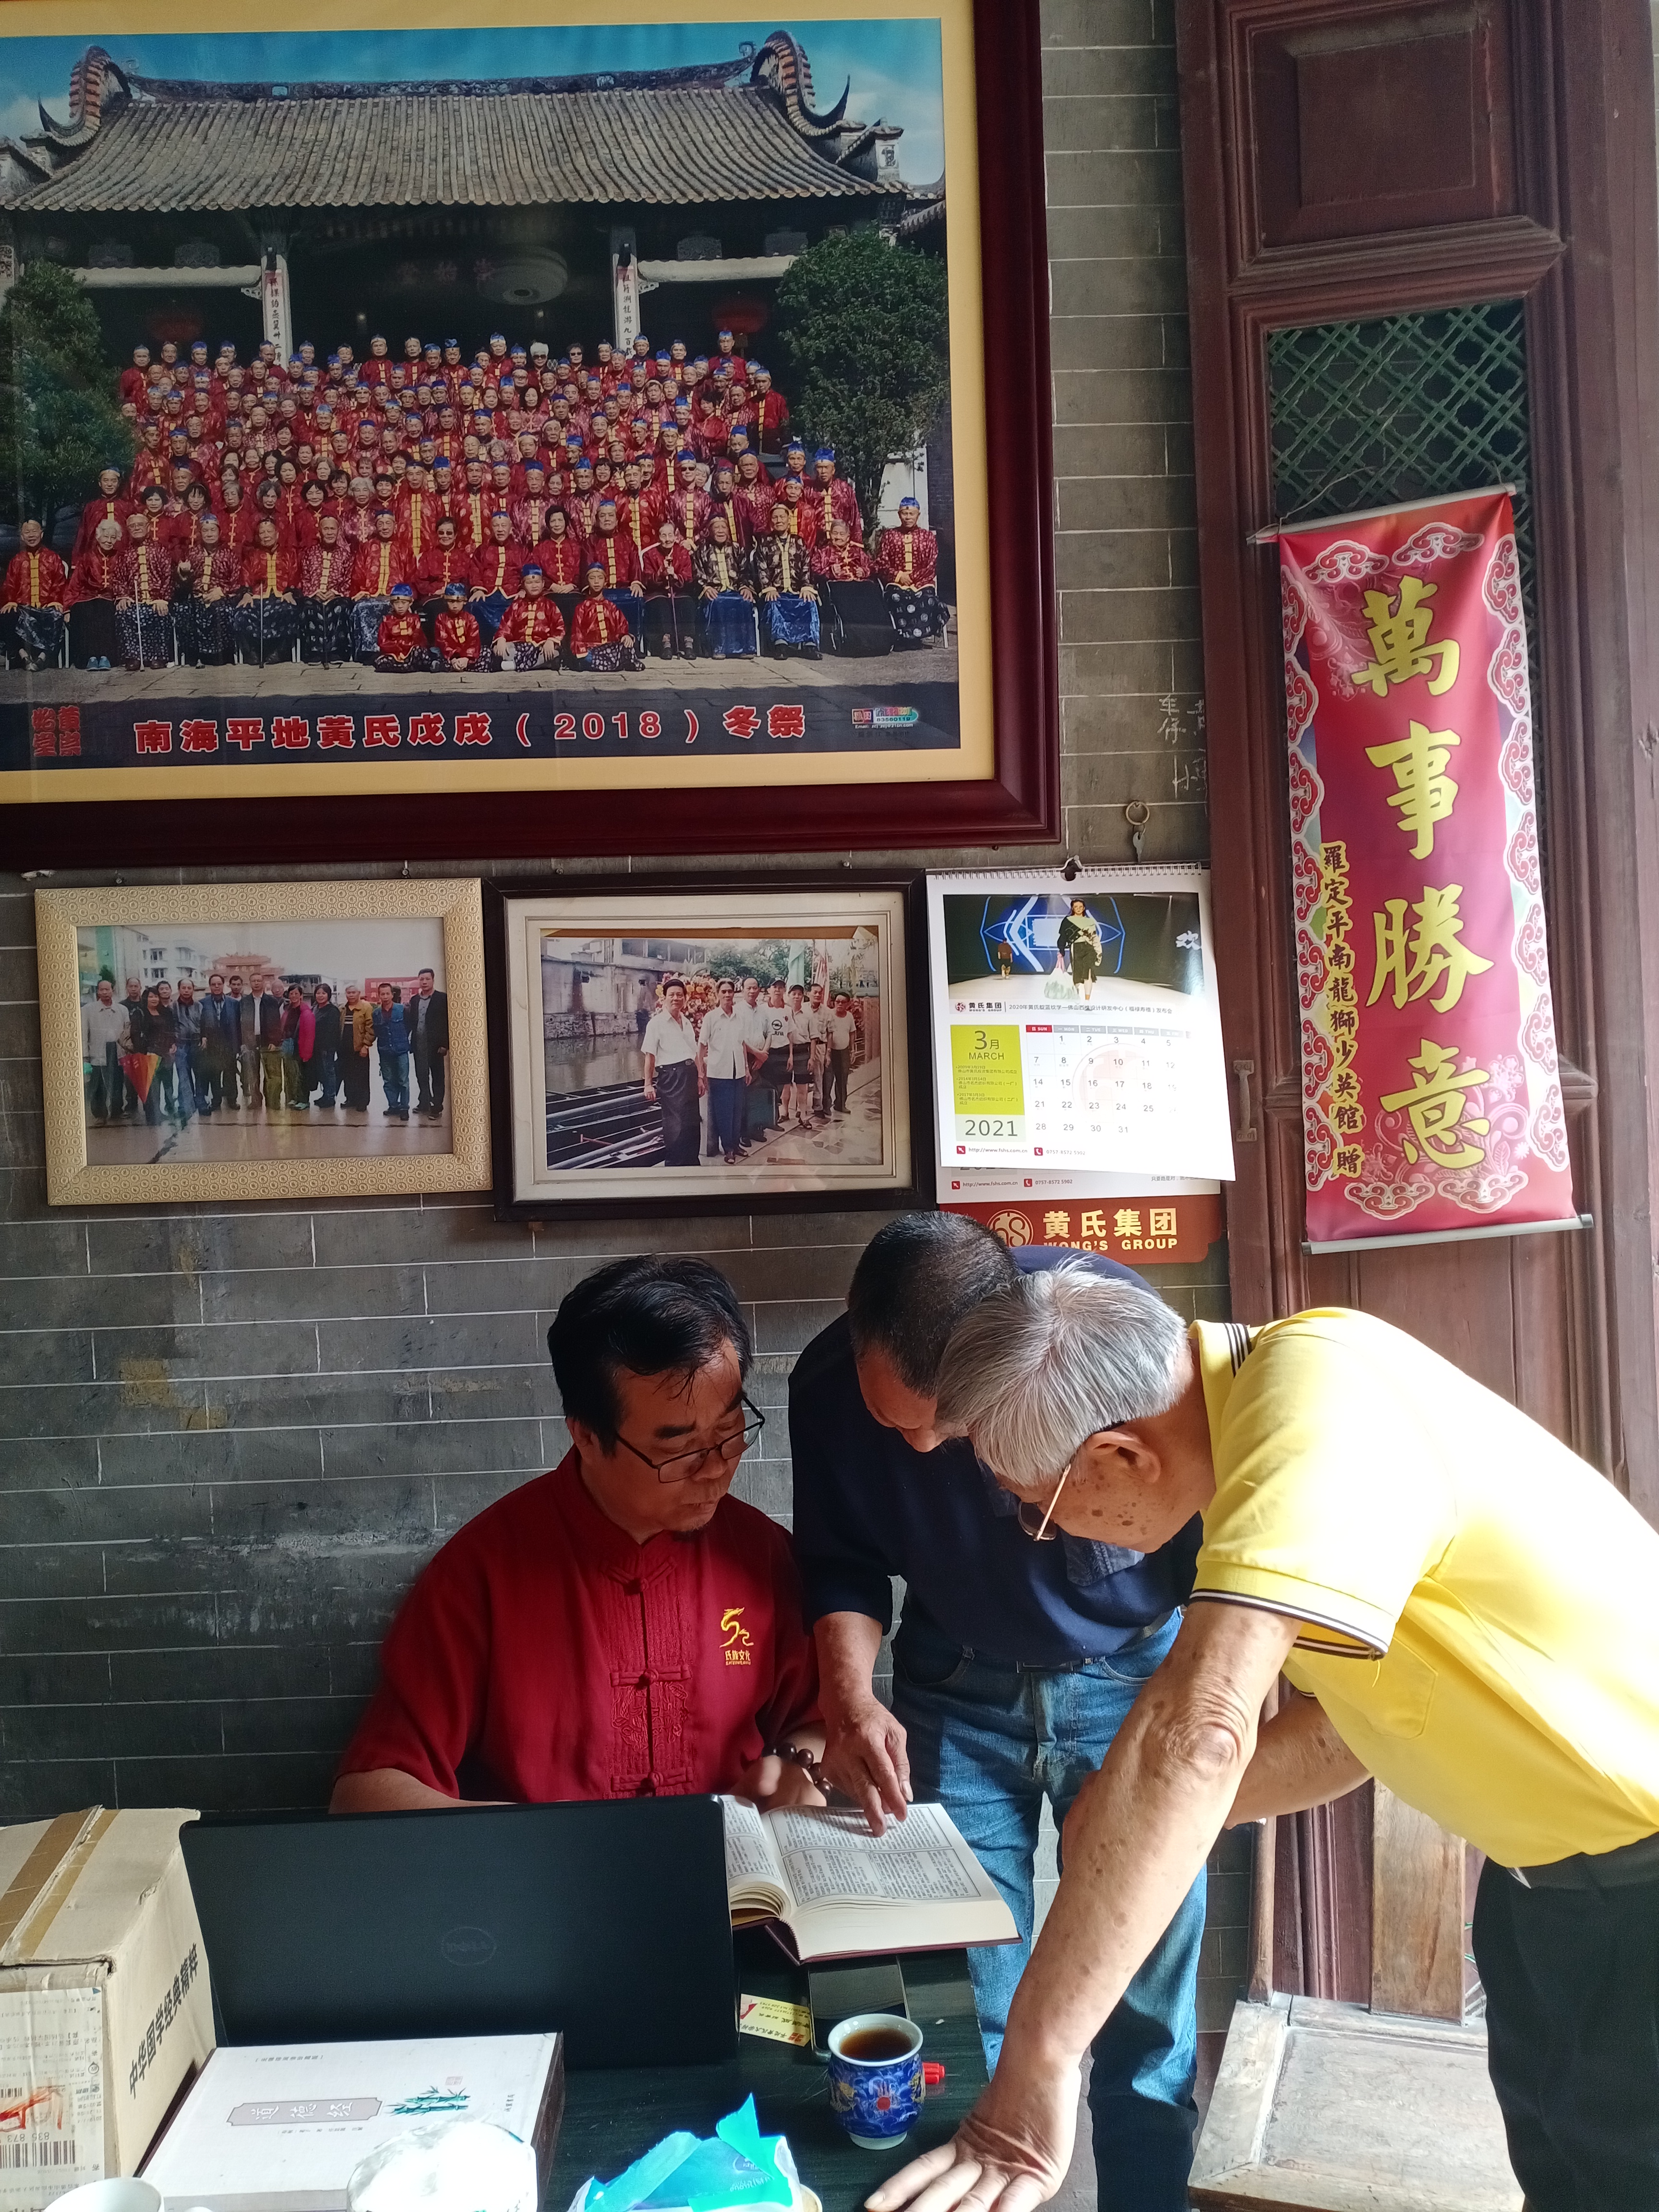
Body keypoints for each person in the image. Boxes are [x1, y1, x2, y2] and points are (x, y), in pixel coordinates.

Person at [872, 1276, 1659, 2212]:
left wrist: (1040, 2061)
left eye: (1033, 1510)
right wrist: (1130, 1830)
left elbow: (1198, 1733)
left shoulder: (1315, 1404)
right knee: (1571, 2181)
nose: (1041, 1540)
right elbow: (1346, 1729)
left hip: (1638, 1890)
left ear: (1121, 1457)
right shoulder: (1259, 1428)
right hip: (1546, 1892)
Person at [791, 1218, 1204, 2212]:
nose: (926, 1444)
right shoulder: (827, 1388)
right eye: (898, 1428)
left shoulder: (1104, 1335)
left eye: (945, 1420)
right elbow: (840, 1561)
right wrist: (849, 1699)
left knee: (1143, 1993)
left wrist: (1201, 1722)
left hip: (1134, 1676)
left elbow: (1206, 1535)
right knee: (970, 1995)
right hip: (957, 1688)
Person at [331, 1256, 823, 1810]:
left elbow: (819, 1723)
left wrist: (800, 1769)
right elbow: (367, 1793)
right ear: (586, 1436)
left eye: (731, 1431)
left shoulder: (762, 1556)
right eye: (678, 1449)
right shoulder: (482, 1576)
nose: (715, 1467)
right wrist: (547, 1842)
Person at [642, 977, 703, 1168]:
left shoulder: (686, 1022)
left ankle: (692, 1163)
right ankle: (675, 1166)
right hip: (671, 1077)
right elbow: (650, 1056)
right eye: (672, 995)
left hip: (690, 1075)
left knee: (692, 1123)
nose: (676, 998)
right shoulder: (656, 1023)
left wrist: (701, 1077)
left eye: (679, 995)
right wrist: (648, 1083)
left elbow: (695, 1054)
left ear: (685, 998)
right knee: (676, 1125)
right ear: (664, 999)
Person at [812, 520, 893, 657]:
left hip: (862, 585)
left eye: (842, 534)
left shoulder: (858, 551)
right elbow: (814, 570)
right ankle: (856, 641)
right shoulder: (823, 553)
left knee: (873, 595)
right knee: (847, 601)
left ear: (848, 536)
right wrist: (830, 570)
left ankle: (881, 640)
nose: (838, 537)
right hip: (839, 586)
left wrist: (864, 571)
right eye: (835, 533)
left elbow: (874, 567)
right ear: (830, 535)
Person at [873, 496, 948, 644]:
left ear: (918, 515)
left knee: (927, 600)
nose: (908, 517)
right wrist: (899, 576)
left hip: (922, 583)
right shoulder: (889, 536)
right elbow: (881, 562)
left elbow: (932, 564)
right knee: (896, 598)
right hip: (896, 583)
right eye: (904, 514)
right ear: (899, 515)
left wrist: (913, 578)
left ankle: (916, 637)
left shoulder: (927, 537)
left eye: (911, 514)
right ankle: (902, 637)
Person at [753, 505, 821, 660]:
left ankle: (810, 645)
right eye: (775, 518)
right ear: (771, 521)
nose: (779, 521)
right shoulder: (765, 543)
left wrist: (806, 586)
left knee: (809, 602)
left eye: (782, 517)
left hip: (797, 591)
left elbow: (806, 567)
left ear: (789, 520)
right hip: (776, 591)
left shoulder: (799, 542)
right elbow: (762, 569)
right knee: (774, 602)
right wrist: (768, 588)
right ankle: (781, 644)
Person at [0, 519, 69, 669]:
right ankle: (24, 656)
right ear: (22, 537)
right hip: (23, 606)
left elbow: (60, 582)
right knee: (8, 614)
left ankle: (43, 658)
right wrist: (11, 601)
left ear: (42, 534)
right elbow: (9, 584)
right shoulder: (16, 560)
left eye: (34, 531)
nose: (31, 535)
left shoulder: (53, 558)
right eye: (27, 532)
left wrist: (55, 600)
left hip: (46, 605)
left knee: (56, 615)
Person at [112, 513, 175, 671]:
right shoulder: (124, 554)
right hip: (135, 601)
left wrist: (162, 599)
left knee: (160, 613)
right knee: (123, 613)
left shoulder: (160, 550)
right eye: (132, 526)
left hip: (156, 601)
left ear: (148, 527)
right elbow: (118, 579)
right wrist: (123, 596)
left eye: (140, 525)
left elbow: (168, 576)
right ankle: (133, 657)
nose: (136, 528)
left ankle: (159, 657)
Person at [698, 976, 750, 1166]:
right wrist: (700, 1073)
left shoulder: (740, 1017)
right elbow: (702, 1046)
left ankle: (735, 1145)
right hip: (719, 1073)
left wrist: (746, 1067)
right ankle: (728, 1148)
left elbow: (742, 1044)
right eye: (724, 992)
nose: (728, 995)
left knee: (738, 1112)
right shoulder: (711, 1018)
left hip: (738, 1073)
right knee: (724, 1113)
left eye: (730, 991)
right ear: (718, 995)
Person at [236, 518, 300, 666]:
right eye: (262, 533)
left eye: (269, 532)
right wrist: (247, 593)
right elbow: (245, 574)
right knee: (242, 614)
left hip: (282, 595)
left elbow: (295, 574)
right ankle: (252, 653)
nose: (266, 536)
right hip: (258, 596)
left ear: (277, 534)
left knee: (288, 611)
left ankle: (280, 652)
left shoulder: (289, 554)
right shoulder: (252, 555)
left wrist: (290, 591)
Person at [64, 518, 125, 669]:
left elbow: (124, 580)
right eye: (105, 537)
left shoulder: (120, 557)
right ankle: (91, 657)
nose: (109, 541)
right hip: (86, 598)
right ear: (98, 538)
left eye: (113, 537)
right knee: (87, 612)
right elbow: (75, 584)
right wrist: (67, 608)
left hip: (110, 599)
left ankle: (105, 657)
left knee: (105, 611)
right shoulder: (86, 558)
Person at [693, 516, 757, 659]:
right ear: (710, 531)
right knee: (717, 602)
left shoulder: (736, 549)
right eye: (717, 528)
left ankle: (745, 649)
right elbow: (697, 574)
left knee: (745, 601)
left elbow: (745, 572)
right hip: (714, 591)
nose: (721, 531)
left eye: (724, 528)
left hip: (735, 589)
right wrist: (705, 588)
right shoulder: (702, 550)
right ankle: (718, 648)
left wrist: (746, 587)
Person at [489, 563, 564, 672]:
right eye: (529, 583)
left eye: (537, 582)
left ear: (543, 584)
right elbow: (505, 626)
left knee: (554, 653)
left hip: (541, 646)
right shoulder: (516, 606)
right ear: (523, 585)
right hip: (520, 647)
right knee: (498, 650)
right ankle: (539, 664)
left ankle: (512, 666)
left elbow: (559, 627)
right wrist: (501, 640)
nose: (534, 586)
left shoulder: (550, 606)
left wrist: (551, 641)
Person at [570, 562, 642, 672]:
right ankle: (616, 663)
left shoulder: (611, 607)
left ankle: (610, 663)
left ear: (605, 582)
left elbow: (622, 626)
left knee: (626, 646)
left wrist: (625, 636)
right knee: (587, 657)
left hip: (611, 649)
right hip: (593, 650)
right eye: (592, 578)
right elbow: (577, 634)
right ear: (587, 581)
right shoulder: (582, 608)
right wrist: (582, 651)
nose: (596, 582)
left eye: (600, 578)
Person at [641, 521, 696, 660]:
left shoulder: (683, 552)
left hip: (679, 592)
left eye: (670, 535)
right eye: (663, 536)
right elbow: (647, 579)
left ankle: (688, 643)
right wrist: (660, 573)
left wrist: (676, 576)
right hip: (657, 593)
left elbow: (689, 577)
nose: (667, 539)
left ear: (676, 536)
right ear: (658, 537)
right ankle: (666, 644)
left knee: (687, 603)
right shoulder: (650, 555)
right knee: (661, 604)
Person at [82, 979, 129, 1125]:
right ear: (98, 991)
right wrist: (85, 1055)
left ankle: (116, 1111)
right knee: (98, 1084)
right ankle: (100, 1114)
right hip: (97, 1050)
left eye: (107, 989)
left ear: (112, 990)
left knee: (117, 1081)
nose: (105, 993)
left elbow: (127, 1032)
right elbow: (84, 1033)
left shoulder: (122, 1010)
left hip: (118, 1050)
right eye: (101, 990)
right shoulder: (88, 1010)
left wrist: (128, 1051)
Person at [197, 971, 239, 1115]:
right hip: (212, 1044)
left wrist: (238, 1046)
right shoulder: (202, 1004)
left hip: (229, 1043)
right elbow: (200, 1025)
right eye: (214, 984)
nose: (217, 987)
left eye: (219, 984)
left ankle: (232, 1100)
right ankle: (216, 1101)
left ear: (224, 985)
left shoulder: (233, 1003)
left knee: (230, 1074)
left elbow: (238, 1026)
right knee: (214, 1075)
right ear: (210, 986)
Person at [411, 966, 448, 1121]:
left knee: (438, 1077)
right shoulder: (415, 1000)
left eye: (427, 979)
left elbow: (448, 1022)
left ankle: (437, 1108)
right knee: (422, 1076)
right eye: (422, 979)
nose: (424, 982)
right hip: (419, 1045)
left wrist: (445, 1044)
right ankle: (424, 1103)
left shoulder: (442, 998)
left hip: (436, 1046)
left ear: (433, 980)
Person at [374, 581, 437, 672]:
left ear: (410, 603)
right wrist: (398, 649)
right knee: (381, 663)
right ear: (392, 604)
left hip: (411, 652)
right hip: (394, 655)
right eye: (397, 603)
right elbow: (383, 642)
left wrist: (407, 648)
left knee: (420, 652)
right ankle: (410, 667)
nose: (400, 606)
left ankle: (404, 667)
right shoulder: (387, 620)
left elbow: (419, 640)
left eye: (404, 603)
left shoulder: (415, 619)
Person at [373, 982, 411, 1121]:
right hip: (384, 1051)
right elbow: (377, 1031)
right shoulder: (376, 1013)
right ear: (379, 995)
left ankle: (404, 1108)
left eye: (387, 993)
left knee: (403, 1080)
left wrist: (402, 1040)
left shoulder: (403, 1009)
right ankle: (393, 1105)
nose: (385, 996)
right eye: (382, 994)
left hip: (401, 1050)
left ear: (392, 994)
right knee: (388, 1080)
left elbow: (409, 1026)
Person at [1057, 898, 1105, 1002]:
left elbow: (1094, 938)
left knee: (1088, 975)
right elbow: (1063, 937)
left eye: (1081, 907)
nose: (1078, 909)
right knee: (1077, 974)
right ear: (1073, 908)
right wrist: (1061, 950)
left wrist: (1098, 953)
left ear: (1084, 908)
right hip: (1076, 948)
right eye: (1076, 907)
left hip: (1089, 948)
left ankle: (1087, 1001)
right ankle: (1075, 994)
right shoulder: (1068, 921)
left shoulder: (1090, 921)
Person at [783, 983, 816, 1132]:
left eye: (799, 994)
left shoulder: (809, 1016)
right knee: (785, 1084)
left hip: (803, 1052)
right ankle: (784, 1112)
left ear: (803, 997)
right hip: (786, 1053)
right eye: (794, 994)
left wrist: (812, 1058)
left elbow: (814, 1038)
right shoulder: (783, 1014)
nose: (796, 997)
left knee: (802, 1087)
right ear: (788, 996)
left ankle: (803, 1115)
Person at [433, 578, 485, 671]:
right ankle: (455, 666)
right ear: (446, 601)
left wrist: (466, 658)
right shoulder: (441, 618)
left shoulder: (470, 618)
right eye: (451, 602)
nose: (455, 606)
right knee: (435, 654)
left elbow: (474, 641)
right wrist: (453, 659)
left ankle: (463, 666)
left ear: (465, 601)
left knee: (486, 652)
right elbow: (443, 641)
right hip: (450, 656)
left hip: (467, 657)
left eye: (459, 602)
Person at [339, 984, 375, 1116]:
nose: (351, 995)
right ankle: (350, 1099)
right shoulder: (343, 1008)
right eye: (349, 993)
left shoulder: (366, 1008)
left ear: (359, 993)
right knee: (348, 1076)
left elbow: (370, 1028)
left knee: (361, 1076)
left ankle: (362, 1102)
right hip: (345, 1049)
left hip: (360, 1049)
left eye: (354, 992)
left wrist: (366, 1046)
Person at [279, 983, 315, 1109]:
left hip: (300, 1047)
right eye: (291, 994)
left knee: (301, 1075)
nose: (294, 996)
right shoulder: (288, 1010)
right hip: (289, 1045)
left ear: (301, 996)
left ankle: (304, 1100)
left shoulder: (306, 1012)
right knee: (292, 1074)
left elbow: (310, 1035)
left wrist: (307, 1053)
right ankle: (294, 1098)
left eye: (296, 994)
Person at [825, 991, 856, 1115]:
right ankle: (826, 1106)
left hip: (844, 1052)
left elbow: (852, 1032)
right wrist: (826, 1053)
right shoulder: (829, 1014)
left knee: (843, 1079)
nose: (840, 1004)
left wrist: (853, 1049)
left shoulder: (849, 1016)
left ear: (848, 1004)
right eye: (837, 1002)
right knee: (828, 1079)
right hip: (830, 1052)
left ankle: (840, 1105)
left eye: (843, 1002)